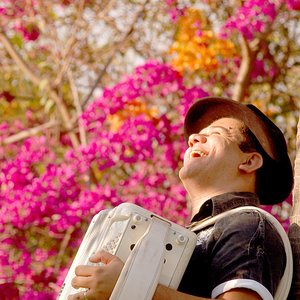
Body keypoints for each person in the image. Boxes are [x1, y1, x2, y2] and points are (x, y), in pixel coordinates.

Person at [67, 96, 294, 300]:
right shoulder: (196, 234)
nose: (194, 138)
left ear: (249, 162)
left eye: (215, 134)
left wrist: (128, 287)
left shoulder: (247, 224)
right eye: (197, 136)